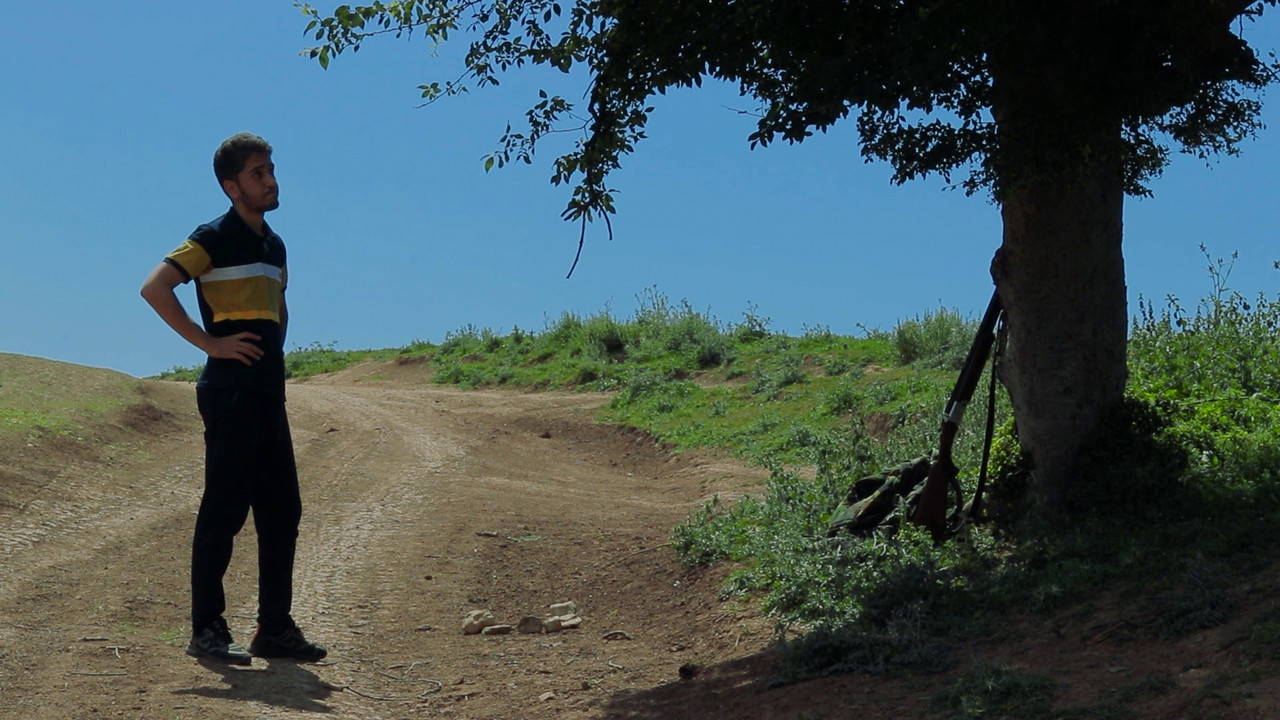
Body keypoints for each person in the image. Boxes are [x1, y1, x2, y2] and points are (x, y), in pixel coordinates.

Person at [140, 133, 326, 665]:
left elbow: (279, 309)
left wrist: (275, 358)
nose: (270, 181)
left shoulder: (274, 245)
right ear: (231, 186)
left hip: (267, 393)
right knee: (224, 511)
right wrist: (211, 344)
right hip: (228, 394)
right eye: (257, 174)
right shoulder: (212, 237)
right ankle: (207, 629)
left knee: (281, 509)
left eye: (270, 170)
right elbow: (155, 288)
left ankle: (273, 628)